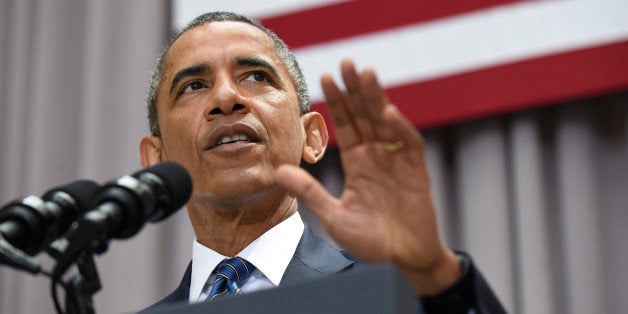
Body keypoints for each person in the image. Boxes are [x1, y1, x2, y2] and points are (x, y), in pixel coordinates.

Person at [138, 11, 505, 313]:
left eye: (255, 76)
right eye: (194, 86)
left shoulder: (401, 293)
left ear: (312, 137)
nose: (225, 97)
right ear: (156, 159)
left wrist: (437, 276)